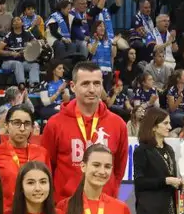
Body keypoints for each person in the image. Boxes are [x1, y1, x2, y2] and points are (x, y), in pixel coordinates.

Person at [41, 62, 128, 199]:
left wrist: (109, 191)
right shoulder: (55, 123)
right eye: (85, 84)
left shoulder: (118, 124)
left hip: (104, 206)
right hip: (65, 207)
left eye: (97, 84)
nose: (92, 89)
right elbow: (46, 168)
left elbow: (118, 169)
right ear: (73, 86)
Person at [0, 104, 47, 206]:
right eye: (16, 123)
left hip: (35, 212)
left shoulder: (42, 154)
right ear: (6, 125)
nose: (22, 129)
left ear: (32, 127)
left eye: (27, 124)